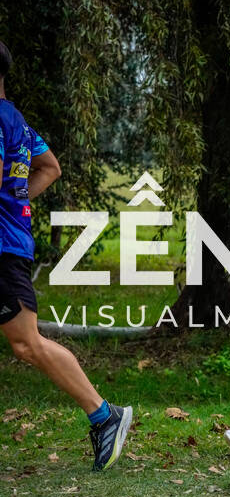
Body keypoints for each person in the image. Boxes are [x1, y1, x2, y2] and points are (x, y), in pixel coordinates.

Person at [0, 40, 132, 471]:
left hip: (2, 248)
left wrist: (10, 202)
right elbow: (50, 167)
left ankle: (104, 414)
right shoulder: (16, 120)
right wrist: (16, 200)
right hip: (10, 239)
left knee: (26, 342)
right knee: (26, 342)